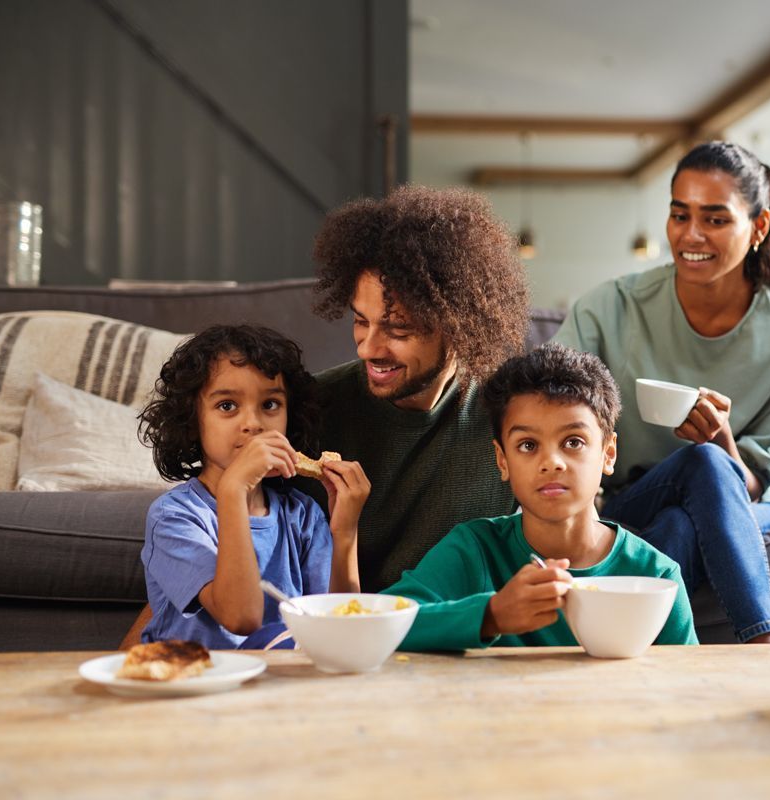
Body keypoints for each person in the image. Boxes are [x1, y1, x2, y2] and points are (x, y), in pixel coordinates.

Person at [551, 141, 770, 643]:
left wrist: (721, 443)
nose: (692, 235)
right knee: (693, 475)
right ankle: (766, 644)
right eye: (680, 215)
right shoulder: (608, 309)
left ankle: (632, 654)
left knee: (692, 496)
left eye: (716, 219)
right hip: (629, 495)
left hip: (751, 500)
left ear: (758, 228)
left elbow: (761, 485)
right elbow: (547, 413)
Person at [385, 343, 697, 650]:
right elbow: (384, 622)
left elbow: (688, 687)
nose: (552, 462)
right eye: (528, 445)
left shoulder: (656, 576)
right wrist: (491, 616)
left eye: (573, 442)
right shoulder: (475, 549)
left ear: (608, 453)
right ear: (502, 461)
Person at [303, 186, 532, 592]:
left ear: (458, 325)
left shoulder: (511, 416)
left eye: (398, 329)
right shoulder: (310, 410)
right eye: (361, 321)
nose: (369, 348)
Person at [137, 325, 370, 648]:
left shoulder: (301, 515)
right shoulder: (175, 517)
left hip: (275, 684)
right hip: (191, 681)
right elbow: (241, 618)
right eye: (227, 406)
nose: (254, 423)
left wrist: (345, 532)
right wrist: (234, 490)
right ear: (192, 423)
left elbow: (341, 629)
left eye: (270, 404)